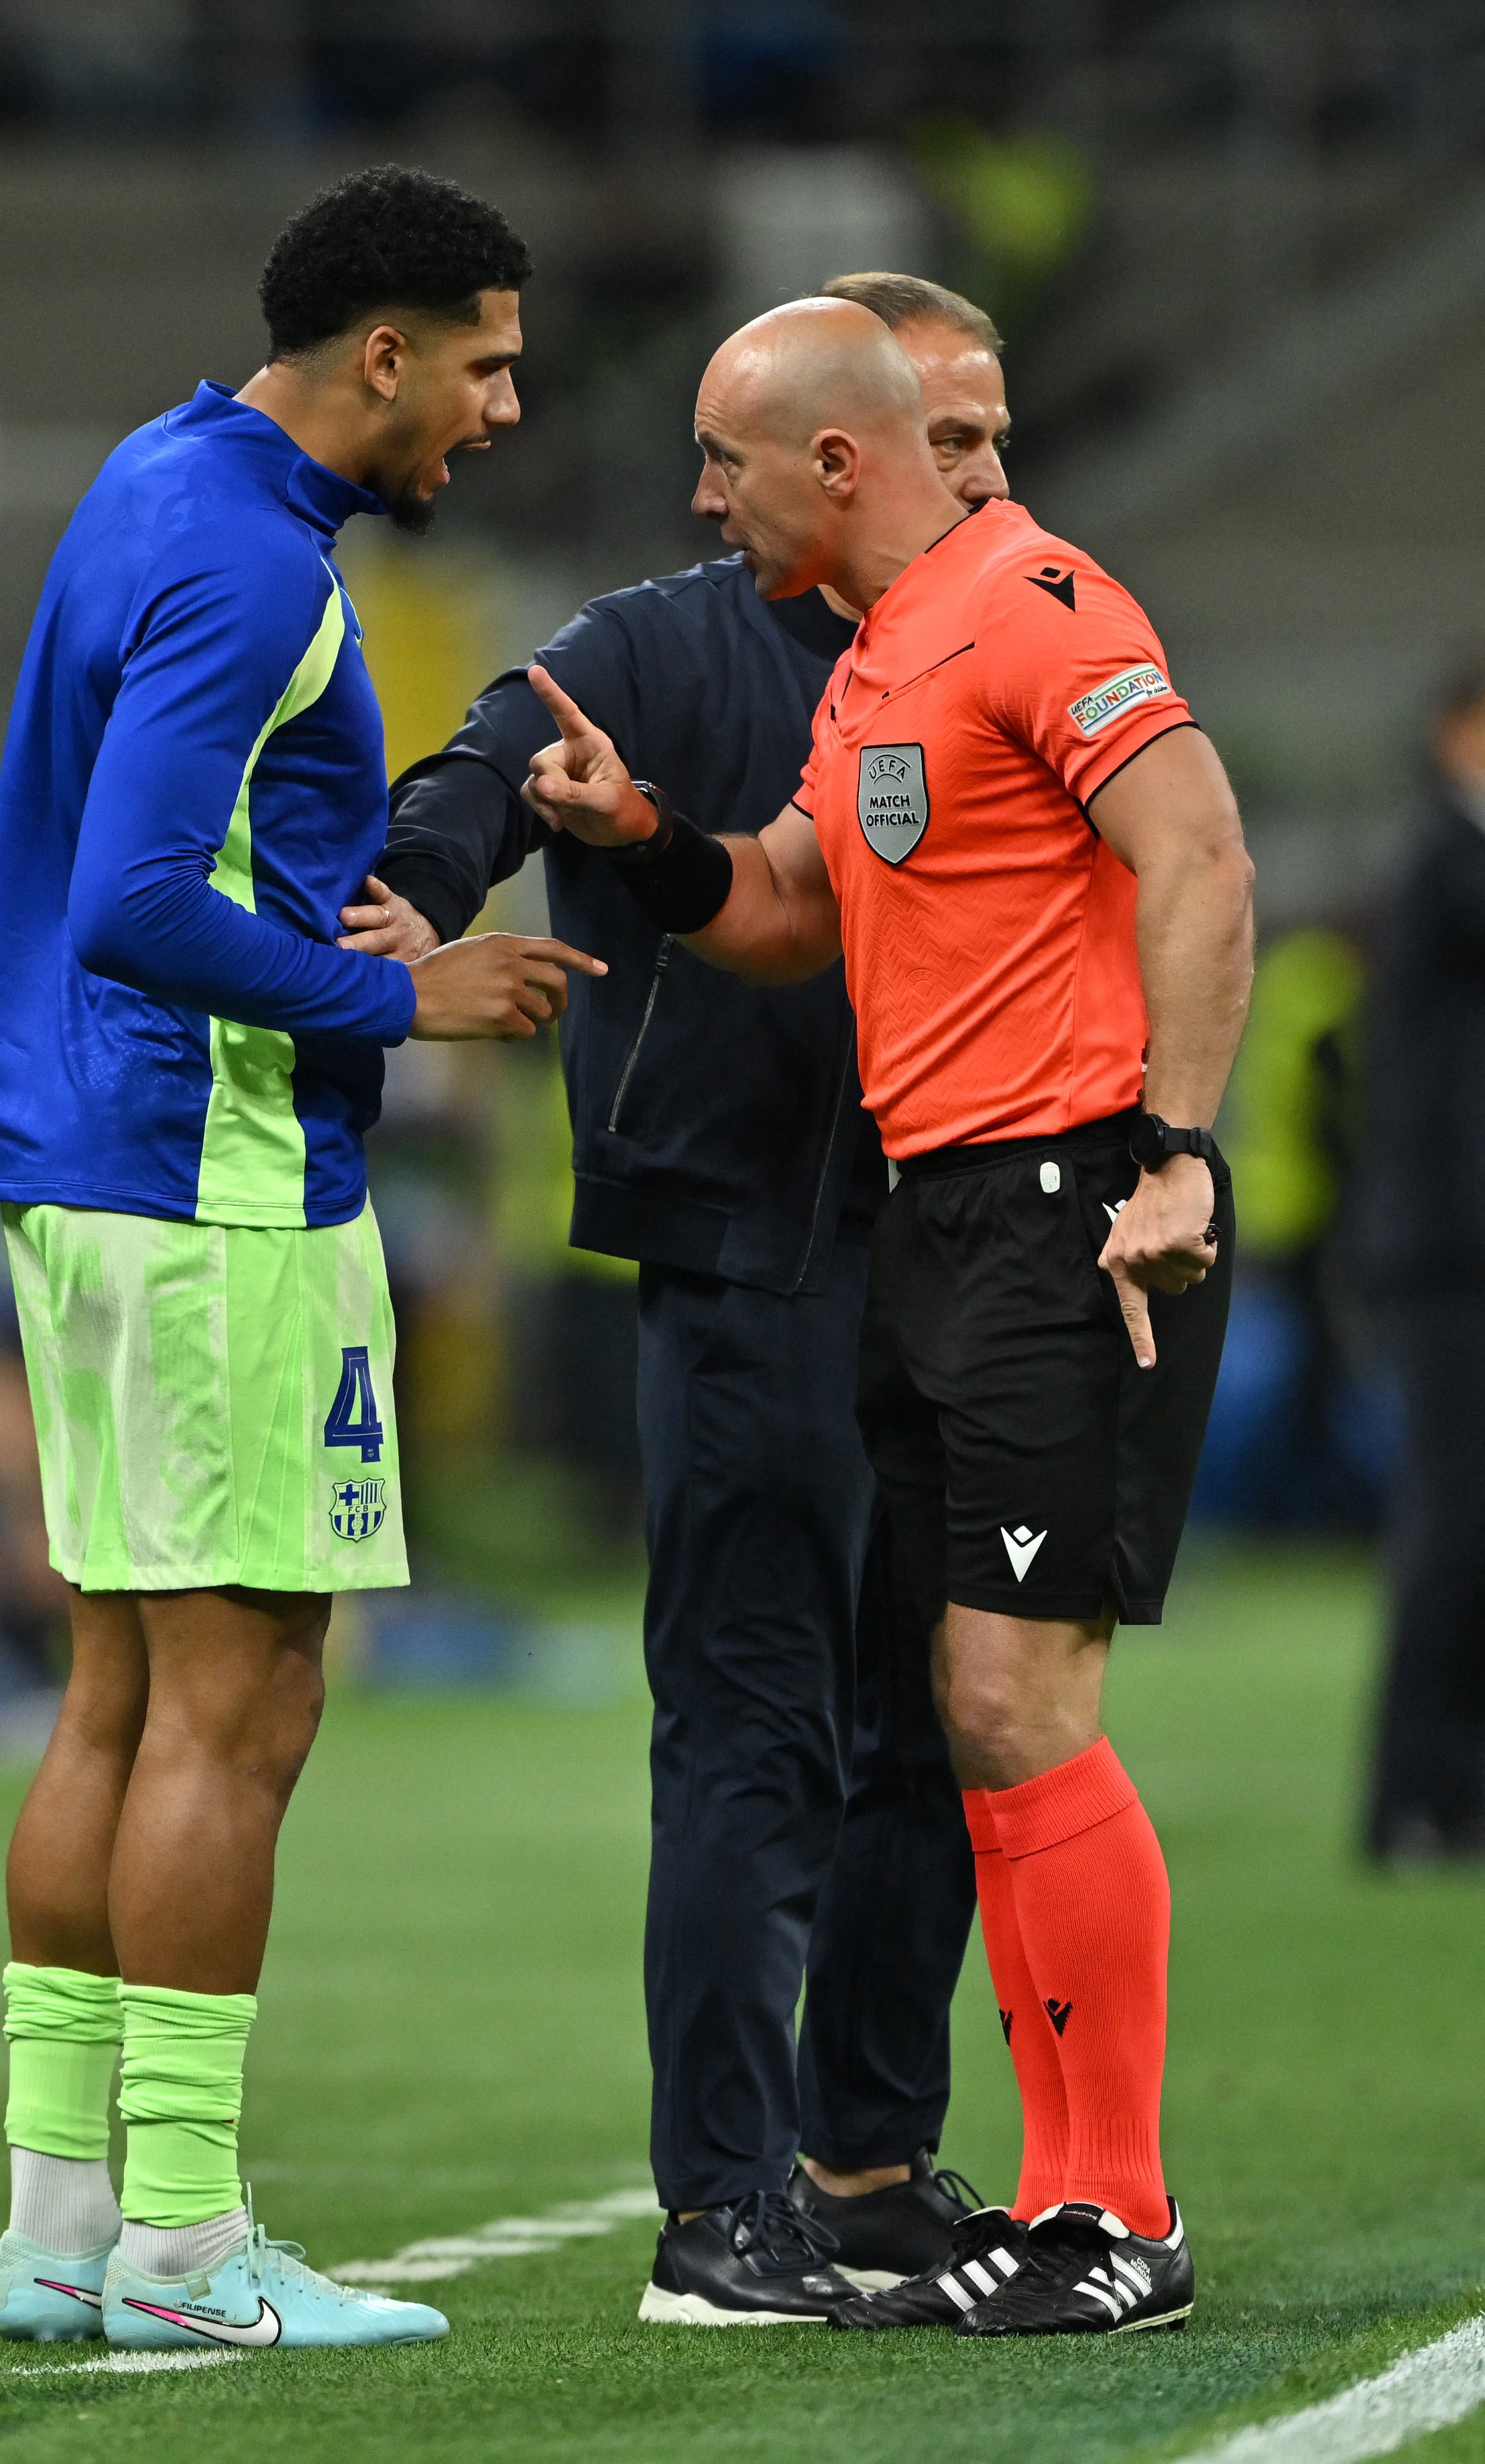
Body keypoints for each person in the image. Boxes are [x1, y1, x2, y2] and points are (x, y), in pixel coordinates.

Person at [525, 298, 1253, 2338]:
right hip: (937, 1225)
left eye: (721, 456)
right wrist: (638, 840)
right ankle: (1063, 2198)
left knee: (1021, 1706)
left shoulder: (1033, 602)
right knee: (969, 1715)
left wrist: (1173, 1154)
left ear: (832, 464)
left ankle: (1116, 2206)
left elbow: (1198, 851)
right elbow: (784, 906)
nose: (698, 493)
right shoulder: (871, 668)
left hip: (1069, 1210)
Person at [0, 163, 601, 2355]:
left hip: (86, 1165)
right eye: (491, 362)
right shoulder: (252, 561)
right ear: (385, 354)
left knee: (121, 1694)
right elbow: (142, 897)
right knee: (240, 1711)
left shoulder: (161, 476)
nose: (507, 409)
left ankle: (63, 2221)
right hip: (215, 1183)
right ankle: (181, 2247)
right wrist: (401, 1003)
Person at [358, 275, 1009, 2325]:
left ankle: (871, 2165)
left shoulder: (1022, 649)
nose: (982, 474)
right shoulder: (647, 645)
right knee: (755, 1730)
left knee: (937, 1730)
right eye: (953, 438)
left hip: (967, 1259)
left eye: (995, 440)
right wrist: (420, 896)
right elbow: (482, 771)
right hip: (746, 1256)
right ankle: (721, 2209)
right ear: (860, 442)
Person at [1360, 654, 1485, 1862]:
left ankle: (1455, 1792)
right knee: (1451, 1524)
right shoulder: (1444, 859)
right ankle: (1412, 1796)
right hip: (1450, 1256)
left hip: (1455, 1248)